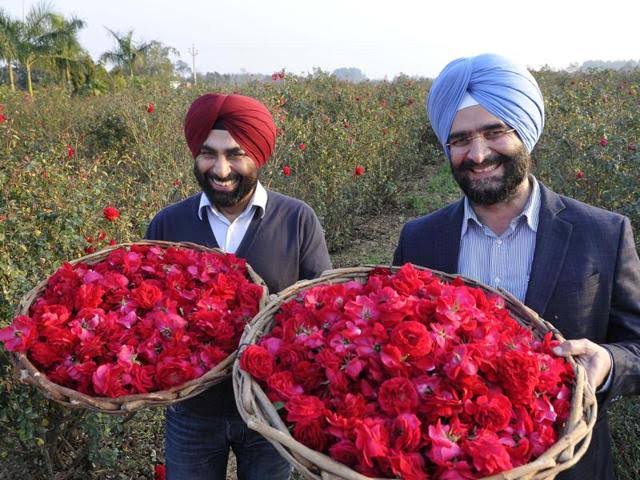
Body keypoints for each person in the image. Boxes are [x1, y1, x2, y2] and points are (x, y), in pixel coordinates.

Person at [393, 53, 640, 480]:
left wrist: (607, 363)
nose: (479, 153)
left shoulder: (602, 233)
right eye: (460, 139)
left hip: (568, 467)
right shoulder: (420, 240)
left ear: (525, 132)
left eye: (494, 132)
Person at [146, 93, 332, 480]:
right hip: (193, 412)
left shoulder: (297, 220)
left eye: (235, 154)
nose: (221, 168)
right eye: (208, 154)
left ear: (259, 156)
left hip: (269, 411)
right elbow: (149, 315)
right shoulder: (168, 225)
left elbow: (322, 310)